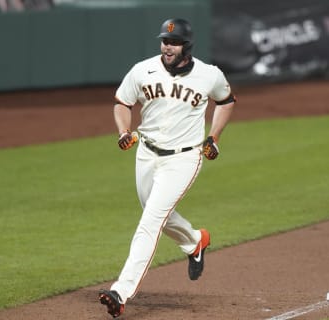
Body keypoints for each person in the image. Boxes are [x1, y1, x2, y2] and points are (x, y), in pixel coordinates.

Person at [98, 17, 236, 318]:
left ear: (187, 46)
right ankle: (195, 240)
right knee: (155, 211)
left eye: (173, 42)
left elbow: (226, 101)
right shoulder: (142, 70)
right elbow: (122, 102)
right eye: (164, 41)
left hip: (184, 158)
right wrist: (124, 131)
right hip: (146, 154)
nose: (167, 46)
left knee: (151, 220)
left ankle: (121, 291)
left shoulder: (208, 75)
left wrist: (214, 137)